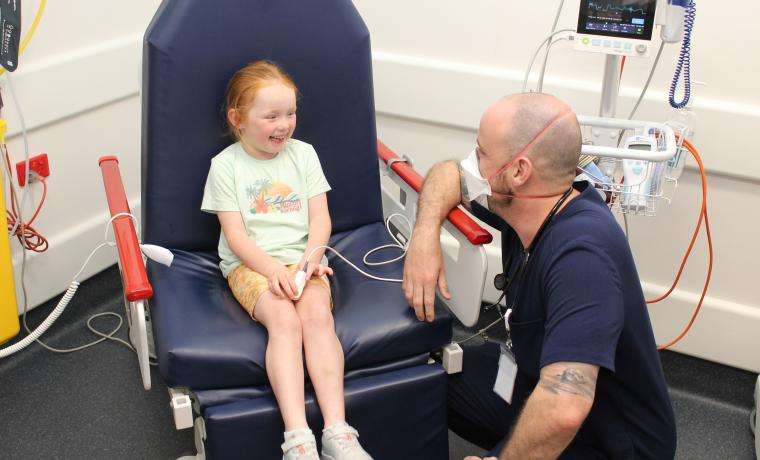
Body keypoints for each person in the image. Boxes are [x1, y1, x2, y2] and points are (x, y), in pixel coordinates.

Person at [403, 93, 677, 459]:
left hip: (610, 443)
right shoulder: (528, 203)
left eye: (481, 153)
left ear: (519, 171)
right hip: (533, 382)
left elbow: (565, 409)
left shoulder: (583, 256)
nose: (472, 162)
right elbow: (447, 173)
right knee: (421, 378)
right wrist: (425, 234)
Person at [201, 61, 372, 460]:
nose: (285, 124)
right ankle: (297, 438)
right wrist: (273, 271)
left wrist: (312, 259)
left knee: (316, 315)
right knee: (284, 320)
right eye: (272, 116)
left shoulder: (304, 155)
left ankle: (337, 432)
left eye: (291, 113)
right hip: (250, 266)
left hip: (302, 260)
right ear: (238, 119)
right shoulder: (225, 167)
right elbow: (237, 237)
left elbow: (320, 218)